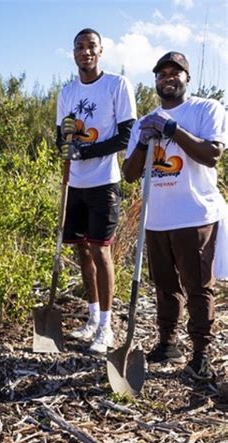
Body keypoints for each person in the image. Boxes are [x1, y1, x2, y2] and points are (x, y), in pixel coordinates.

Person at [123, 52, 226, 380]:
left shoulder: (206, 108)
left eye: (175, 72)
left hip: (194, 216)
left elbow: (212, 155)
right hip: (157, 219)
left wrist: (171, 129)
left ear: (187, 78)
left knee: (198, 287)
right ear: (155, 80)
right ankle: (167, 343)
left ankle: (201, 353)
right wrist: (143, 141)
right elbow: (129, 174)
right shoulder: (144, 121)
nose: (168, 77)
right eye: (161, 73)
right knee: (165, 286)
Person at [56, 28, 137, 353]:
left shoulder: (117, 85)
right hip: (74, 184)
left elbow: (127, 135)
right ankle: (91, 317)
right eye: (80, 47)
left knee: (101, 251)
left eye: (91, 46)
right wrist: (65, 144)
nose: (85, 52)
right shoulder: (67, 92)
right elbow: (60, 137)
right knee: (81, 250)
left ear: (101, 51)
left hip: (104, 182)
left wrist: (85, 152)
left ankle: (106, 326)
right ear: (73, 52)